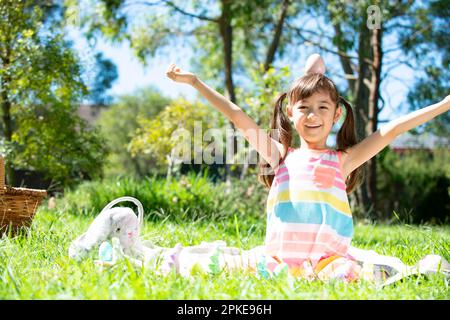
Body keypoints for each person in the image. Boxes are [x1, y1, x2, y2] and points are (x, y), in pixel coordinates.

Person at [164, 54, 450, 282]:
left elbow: (392, 130)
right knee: (226, 265)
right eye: (304, 108)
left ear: (337, 114)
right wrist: (196, 82)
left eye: (323, 107)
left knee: (347, 274)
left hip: (328, 264)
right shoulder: (280, 155)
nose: (313, 115)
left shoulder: (343, 160)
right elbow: (238, 116)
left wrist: (443, 105)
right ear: (290, 112)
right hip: (277, 263)